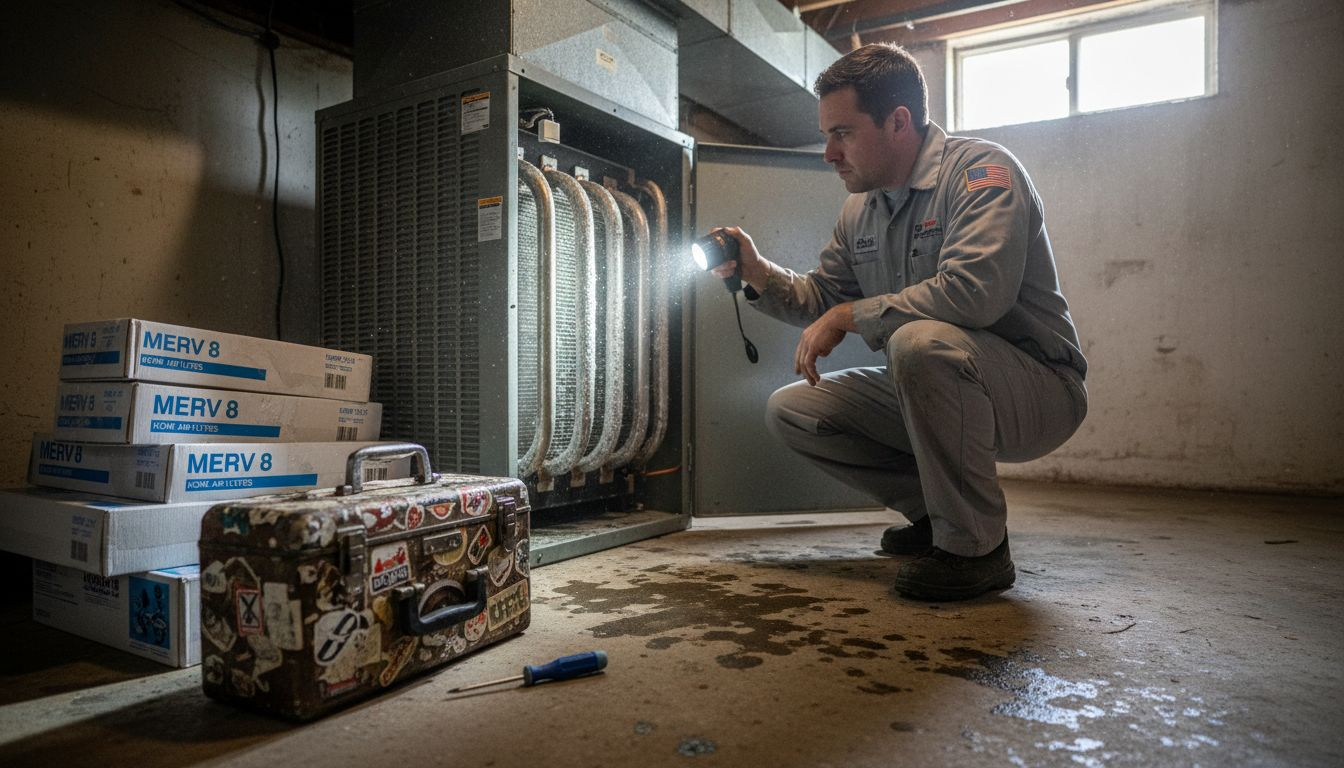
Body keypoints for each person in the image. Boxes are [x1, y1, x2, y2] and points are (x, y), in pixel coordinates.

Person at [709, 43, 1088, 602]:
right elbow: (822, 297)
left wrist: (850, 315)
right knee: (793, 410)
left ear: (899, 121)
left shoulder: (983, 173)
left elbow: (974, 294)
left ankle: (976, 549)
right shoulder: (862, 208)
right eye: (826, 136)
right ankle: (938, 516)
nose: (828, 154)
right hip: (940, 378)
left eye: (842, 133)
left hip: (1039, 389)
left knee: (919, 342)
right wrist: (757, 271)